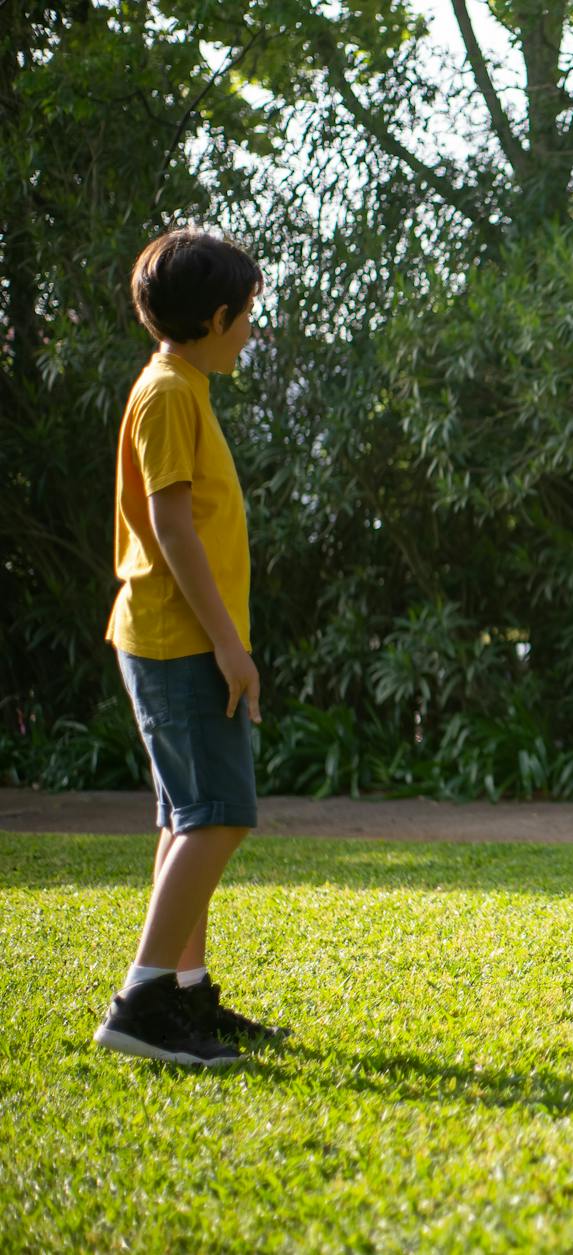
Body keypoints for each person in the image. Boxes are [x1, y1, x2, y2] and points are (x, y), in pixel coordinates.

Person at [91, 228, 288, 1066]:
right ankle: (141, 1002)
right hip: (180, 639)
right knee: (218, 813)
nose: (251, 329)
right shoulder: (171, 391)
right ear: (215, 316)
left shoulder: (183, 384)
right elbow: (172, 525)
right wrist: (229, 646)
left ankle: (184, 995)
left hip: (175, 636)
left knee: (187, 814)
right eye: (246, 316)